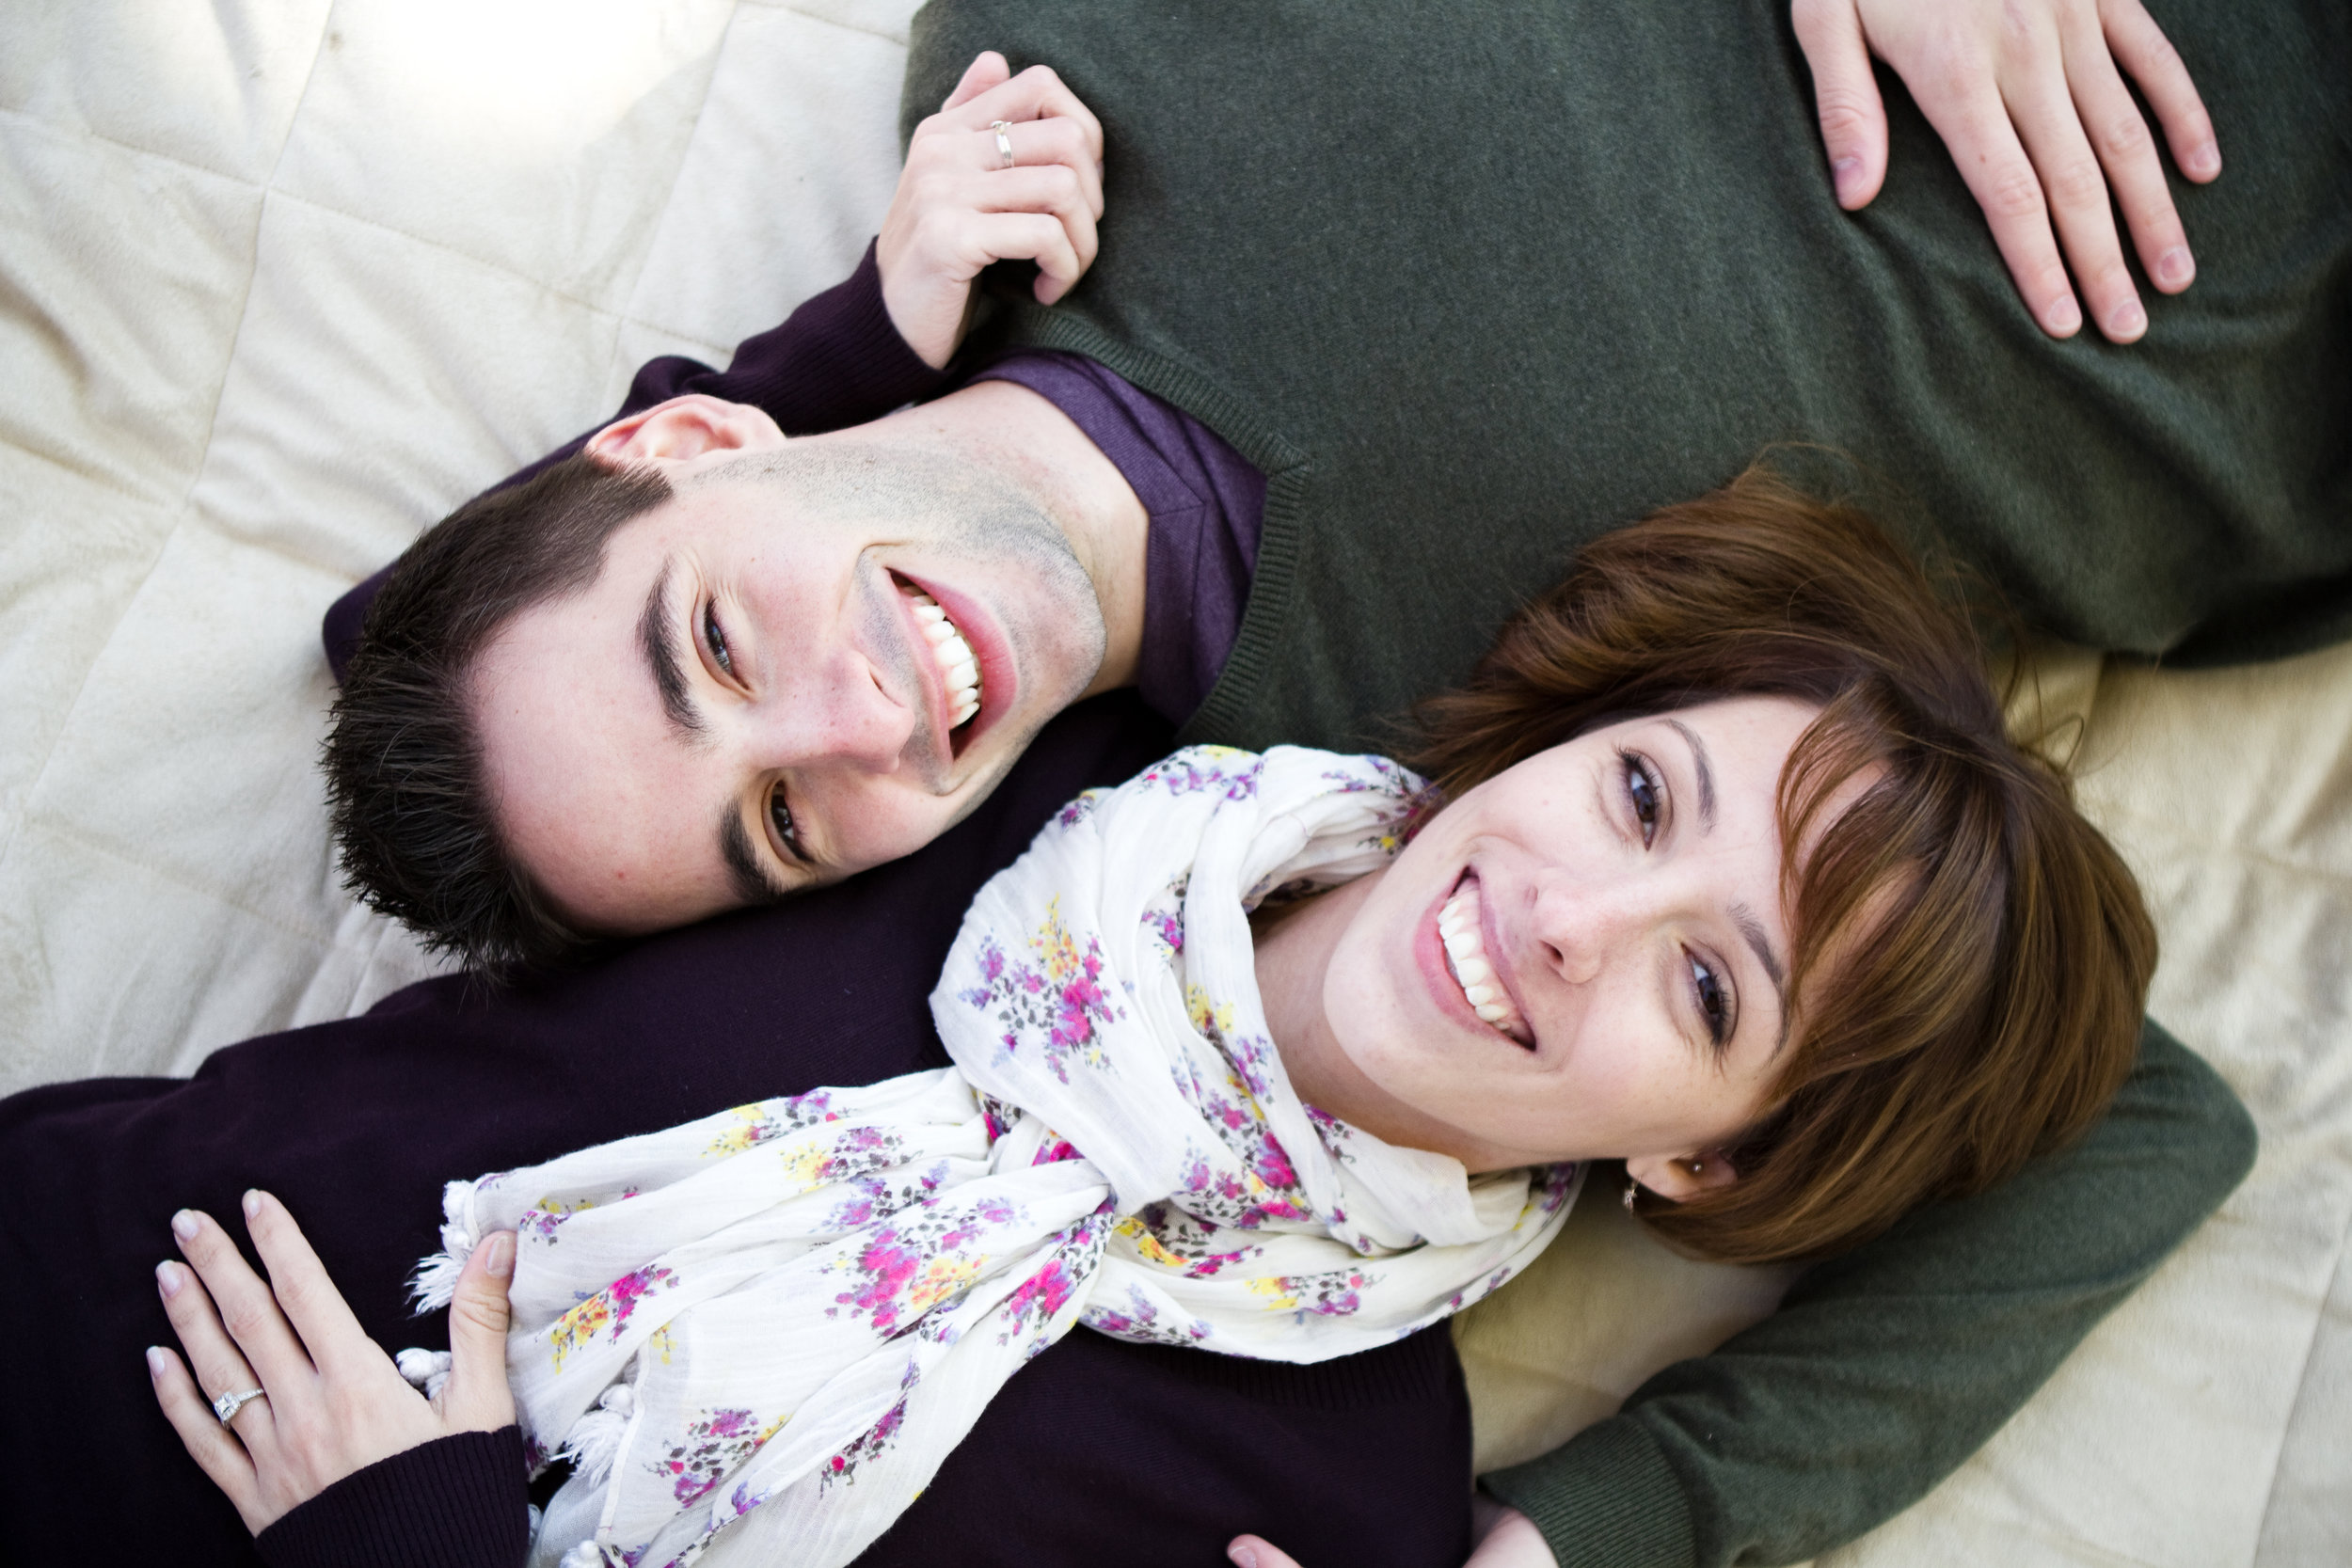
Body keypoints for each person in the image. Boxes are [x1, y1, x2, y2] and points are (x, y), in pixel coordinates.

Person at [5, 0, 2322, 1561]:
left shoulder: (1035, 75)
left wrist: (851, 354)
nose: (860, 721)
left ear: (698, 439)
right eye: (785, 831)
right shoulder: (1325, 810)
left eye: (720, 634)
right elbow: (2105, 1105)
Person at [145, 477, 2158, 1568]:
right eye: (1641, 795)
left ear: (1703, 1153)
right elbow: (496, 649)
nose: (1570, 918)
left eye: (1708, 982)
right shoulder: (953, 760)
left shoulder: (1332, 1514)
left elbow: (2183, 1126)